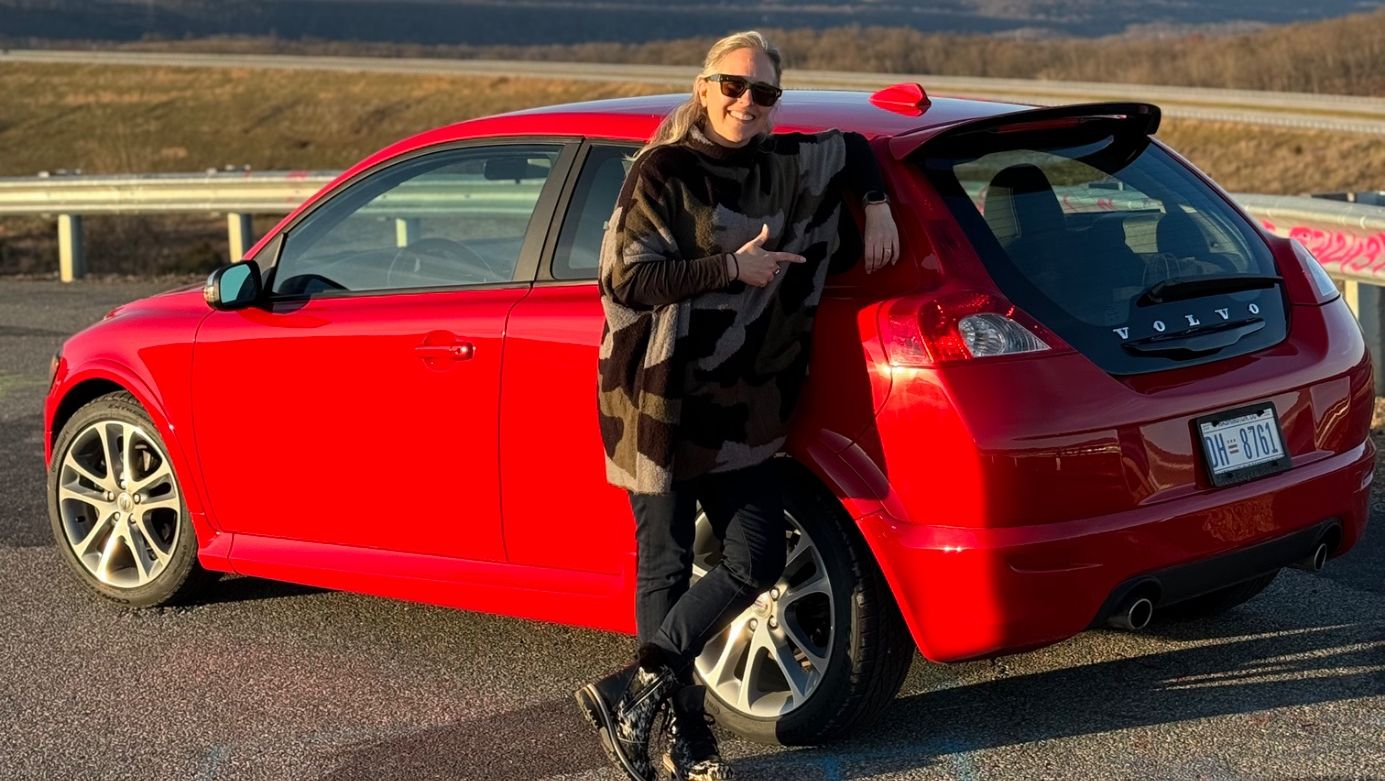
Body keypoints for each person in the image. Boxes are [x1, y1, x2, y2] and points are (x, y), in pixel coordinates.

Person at [575, 30, 900, 781]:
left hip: (741, 406)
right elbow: (626, 280)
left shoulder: (783, 164)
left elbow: (854, 148)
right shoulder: (664, 170)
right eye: (733, 85)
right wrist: (731, 267)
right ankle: (687, 738)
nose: (746, 102)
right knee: (665, 565)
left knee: (755, 558)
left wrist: (877, 205)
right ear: (703, 87)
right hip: (656, 400)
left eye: (763, 92)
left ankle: (635, 685)